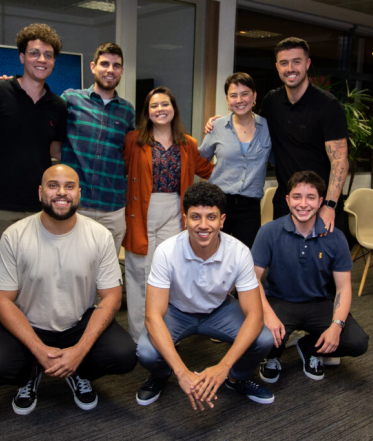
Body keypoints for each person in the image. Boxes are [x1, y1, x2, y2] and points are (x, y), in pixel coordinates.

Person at [0, 165, 136, 415]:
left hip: (77, 324)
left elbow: (112, 297)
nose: (62, 192)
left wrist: (79, 351)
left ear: (79, 193)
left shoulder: (99, 235)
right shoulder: (14, 236)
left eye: (69, 186)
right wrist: (39, 351)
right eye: (53, 185)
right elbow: (0, 302)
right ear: (40, 193)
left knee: (124, 354)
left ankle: (76, 369)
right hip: (29, 324)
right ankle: (31, 373)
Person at [0, 23, 68, 332]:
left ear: (53, 61)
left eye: (48, 55)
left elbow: (58, 154)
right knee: (2, 285)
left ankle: (37, 345)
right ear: (22, 56)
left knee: (40, 281)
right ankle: (5, 349)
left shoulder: (57, 106)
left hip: (40, 210)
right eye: (34, 53)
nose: (41, 59)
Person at [135, 182, 274, 409]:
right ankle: (162, 374)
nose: (203, 225)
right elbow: (152, 316)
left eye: (211, 217)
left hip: (219, 310)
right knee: (147, 352)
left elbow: (255, 316)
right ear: (185, 218)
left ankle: (236, 379)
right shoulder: (166, 252)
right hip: (177, 311)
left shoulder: (239, 252)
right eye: (195, 217)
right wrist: (182, 373)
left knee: (263, 338)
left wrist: (224, 366)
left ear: (222, 220)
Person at [206, 37, 349, 234]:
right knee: (283, 262)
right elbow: (249, 126)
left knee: (321, 263)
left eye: (296, 62)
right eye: (284, 63)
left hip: (319, 203)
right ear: (277, 66)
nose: (290, 68)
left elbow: (340, 160)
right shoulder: (272, 102)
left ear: (307, 64)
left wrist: (330, 205)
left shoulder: (328, 105)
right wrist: (220, 123)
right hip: (285, 202)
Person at [251, 171, 368, 383]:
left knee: (357, 342)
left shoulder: (335, 237)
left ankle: (308, 347)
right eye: (297, 197)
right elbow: (252, 280)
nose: (303, 204)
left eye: (311, 197)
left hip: (319, 303)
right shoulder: (269, 232)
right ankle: (272, 356)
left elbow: (343, 288)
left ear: (321, 201)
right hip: (279, 301)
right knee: (259, 340)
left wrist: (336, 326)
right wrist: (267, 315)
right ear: (287, 200)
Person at [123, 87, 214, 343]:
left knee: (167, 275)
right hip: (140, 212)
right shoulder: (133, 141)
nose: (160, 109)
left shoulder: (188, 143)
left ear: (174, 109)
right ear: (147, 112)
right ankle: (139, 337)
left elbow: (210, 171)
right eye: (154, 106)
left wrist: (222, 132)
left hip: (174, 212)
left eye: (165, 104)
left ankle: (163, 332)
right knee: (139, 274)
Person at [50, 42, 135, 254]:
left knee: (105, 275)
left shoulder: (127, 111)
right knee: (69, 271)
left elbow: (128, 156)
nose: (110, 70)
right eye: (104, 63)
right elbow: (53, 145)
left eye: (116, 65)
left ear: (122, 71)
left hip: (112, 207)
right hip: (77, 205)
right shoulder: (71, 99)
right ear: (93, 67)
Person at [198, 72, 271, 249]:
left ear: (254, 96)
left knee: (245, 256)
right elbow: (199, 160)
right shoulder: (217, 126)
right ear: (227, 99)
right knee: (213, 252)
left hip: (250, 207)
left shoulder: (268, 128)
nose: (239, 100)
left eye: (245, 94)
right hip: (218, 202)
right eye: (233, 95)